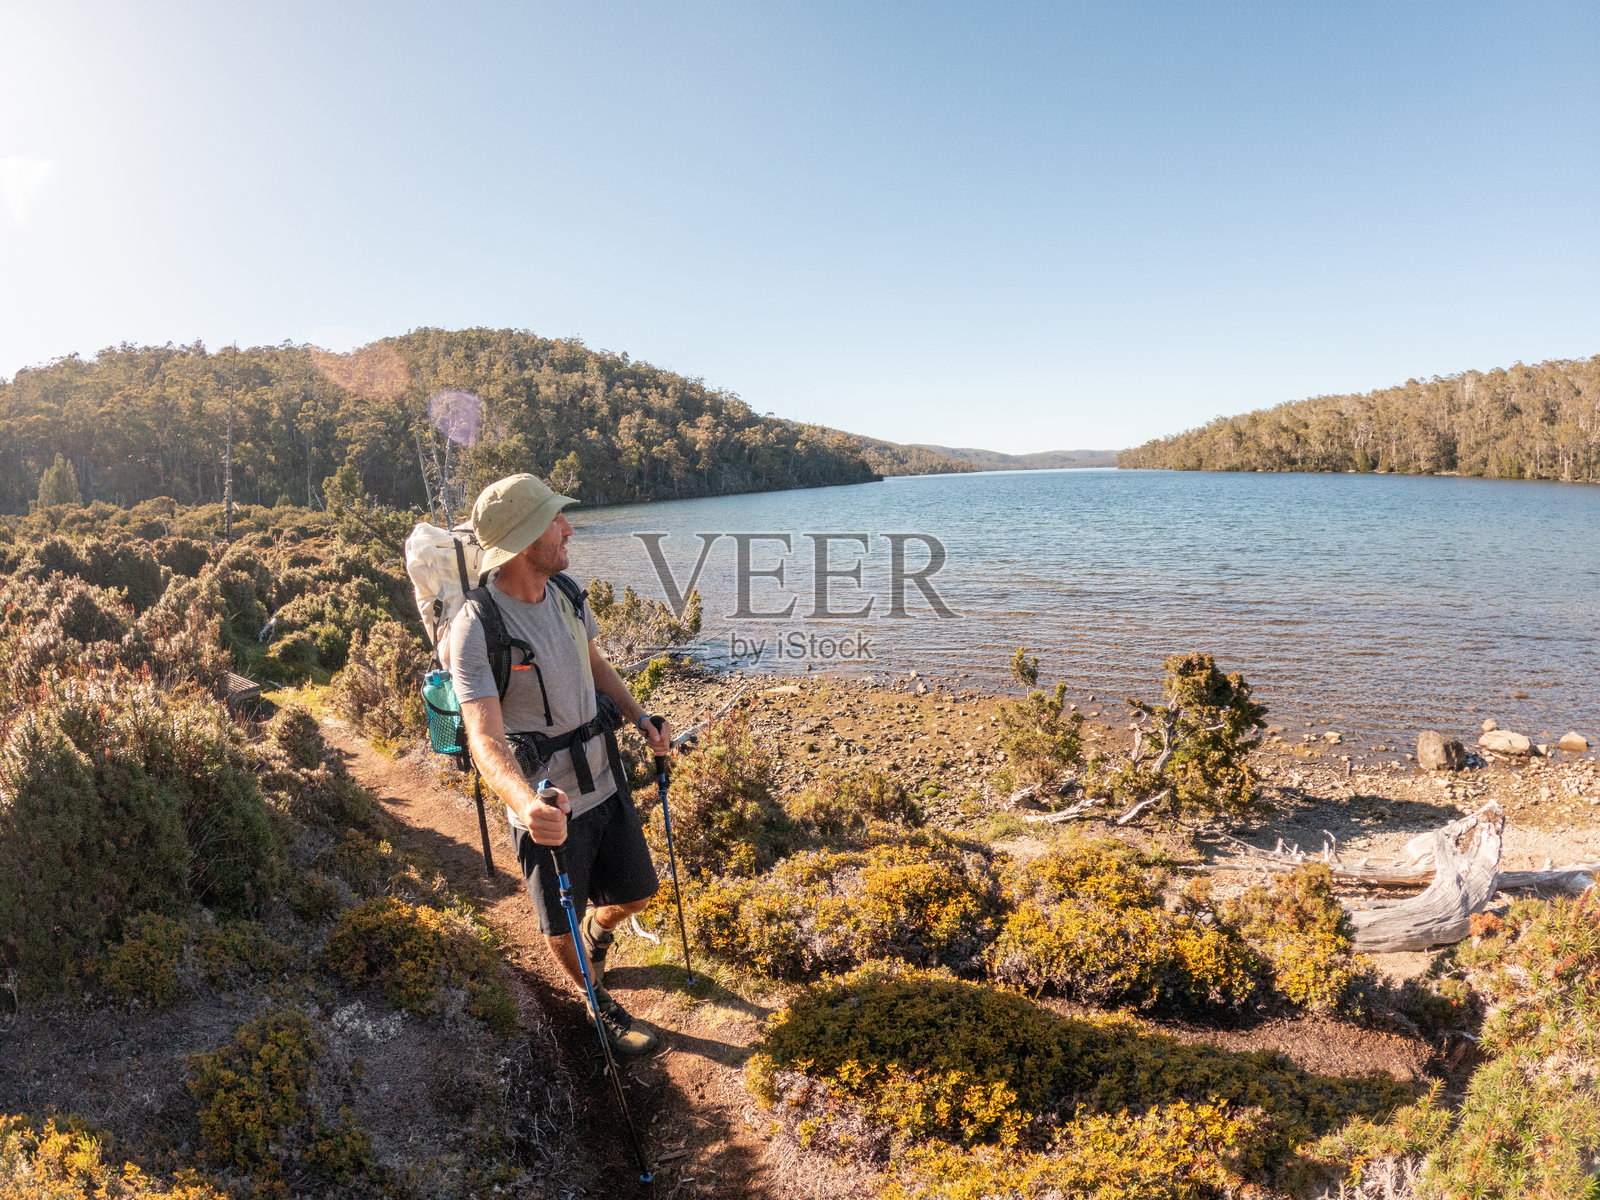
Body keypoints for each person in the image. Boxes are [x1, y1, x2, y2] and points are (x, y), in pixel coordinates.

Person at [449, 473, 672, 1055]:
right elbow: (483, 736)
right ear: (525, 540)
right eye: (556, 521)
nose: (568, 527)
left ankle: (601, 936)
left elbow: (593, 661)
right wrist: (526, 805)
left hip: (604, 780)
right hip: (547, 807)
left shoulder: (567, 593)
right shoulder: (477, 628)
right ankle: (600, 1004)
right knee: (558, 929)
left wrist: (638, 715)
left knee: (639, 893)